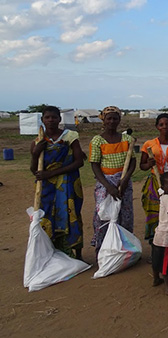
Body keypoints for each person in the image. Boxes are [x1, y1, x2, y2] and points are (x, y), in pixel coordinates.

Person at [29, 105, 85, 259]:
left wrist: (52, 173)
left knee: (72, 215)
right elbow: (34, 170)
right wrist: (35, 154)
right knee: (48, 217)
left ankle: (77, 255)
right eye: (47, 117)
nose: (51, 120)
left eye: (54, 117)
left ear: (59, 119)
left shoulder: (70, 137)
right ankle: (55, 255)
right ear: (42, 120)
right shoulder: (37, 143)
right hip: (48, 188)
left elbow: (79, 161)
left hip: (68, 184)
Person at [89, 106, 136, 256]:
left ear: (119, 120)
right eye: (109, 118)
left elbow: (132, 162)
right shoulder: (97, 141)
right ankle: (102, 249)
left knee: (125, 214)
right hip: (105, 183)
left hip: (124, 182)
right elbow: (95, 165)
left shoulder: (127, 139)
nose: (112, 121)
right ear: (103, 119)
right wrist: (109, 187)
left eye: (115, 118)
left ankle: (124, 249)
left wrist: (125, 179)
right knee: (103, 215)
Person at [140, 113, 168, 262]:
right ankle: (156, 251)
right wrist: (149, 164)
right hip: (155, 183)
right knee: (156, 217)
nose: (164, 127)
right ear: (157, 127)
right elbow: (142, 166)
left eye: (167, 124)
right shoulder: (148, 145)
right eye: (161, 124)